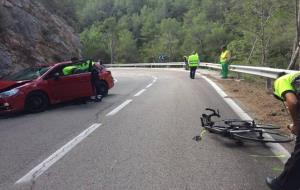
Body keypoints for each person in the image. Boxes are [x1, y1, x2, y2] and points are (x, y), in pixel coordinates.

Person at [266, 71, 300, 190]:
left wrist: (296, 125)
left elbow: (292, 102)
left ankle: (282, 184)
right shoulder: (295, 78)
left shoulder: (280, 81)